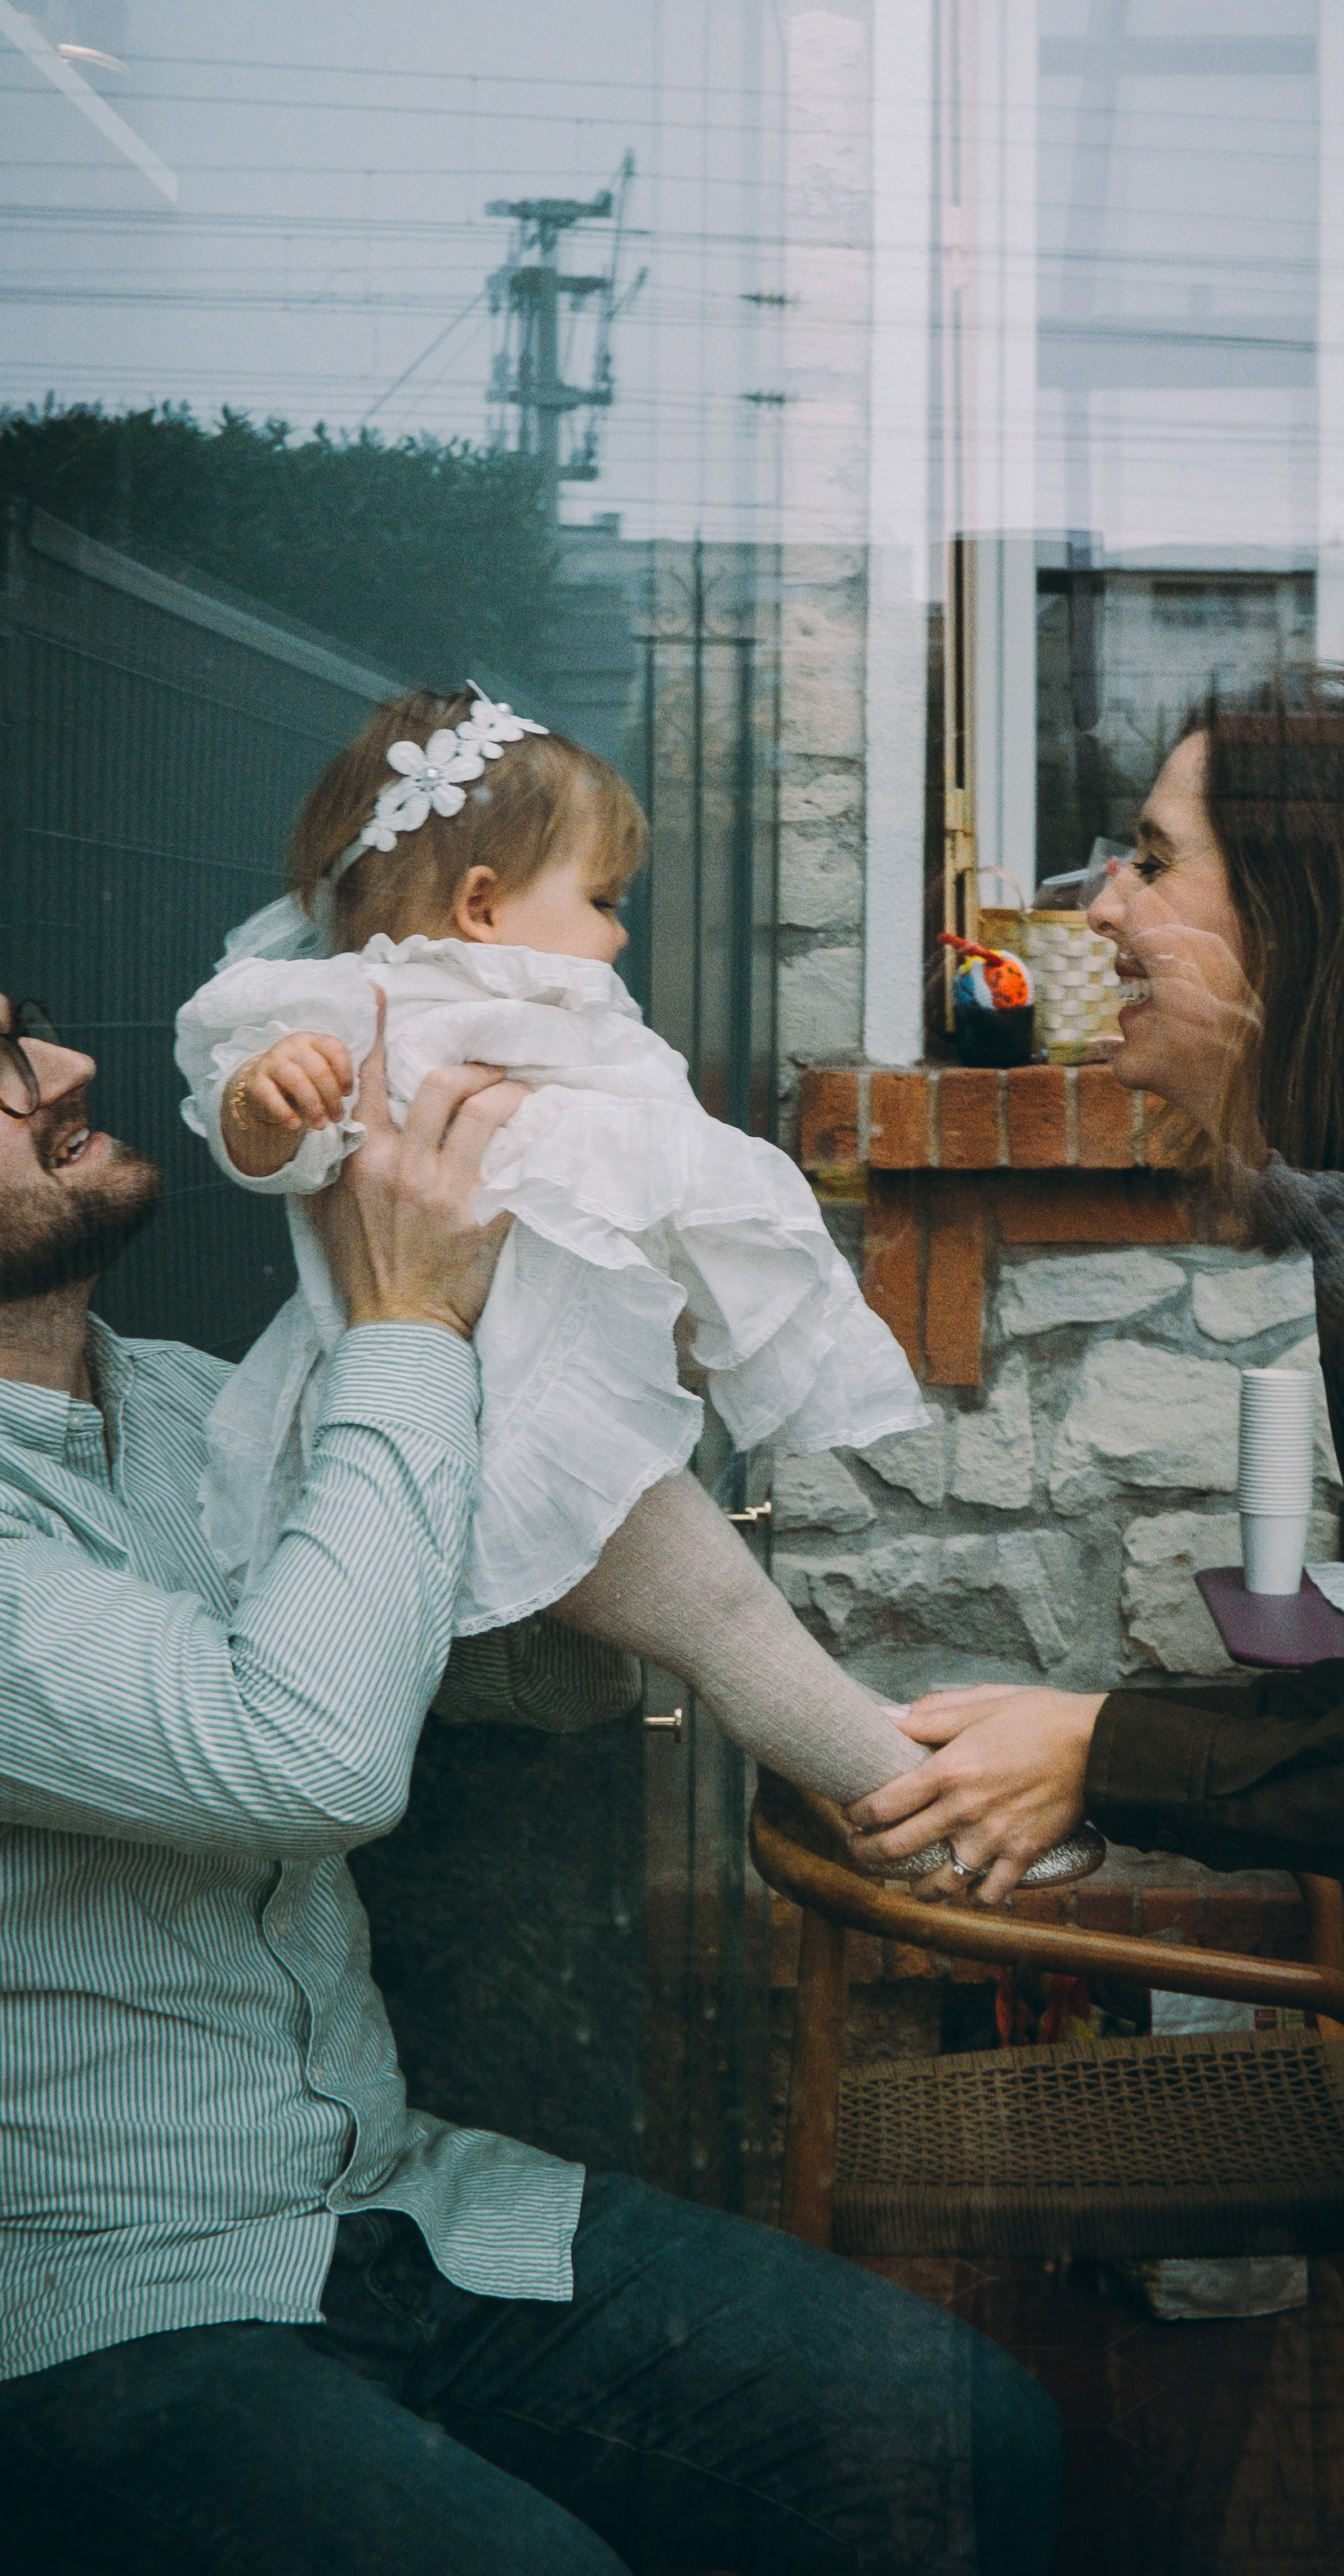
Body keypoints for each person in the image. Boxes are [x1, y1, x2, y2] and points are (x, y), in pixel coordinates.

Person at [0, 892, 1064, 2575]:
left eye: (20, 1022)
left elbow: (487, 1688)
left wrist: (593, 1401)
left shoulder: (187, 1401)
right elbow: (305, 1755)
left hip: (394, 2214)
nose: (63, 1063)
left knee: (963, 2445)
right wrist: (404, 1325)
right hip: (67, 2320)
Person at [175, 683, 1084, 1878]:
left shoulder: (577, 1017)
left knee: (672, 1633)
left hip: (560, 1397)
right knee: (729, 1621)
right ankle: (925, 1820)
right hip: (500, 1416)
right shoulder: (351, 1009)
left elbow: (659, 1167)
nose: (616, 934)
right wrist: (270, 1094)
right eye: (602, 901)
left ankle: (904, 1787)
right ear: (482, 905)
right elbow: (263, 1137)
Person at [846, 665, 1344, 1913]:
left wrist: (1100, 1751)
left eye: (1151, 860)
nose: (1100, 909)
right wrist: (1093, 1736)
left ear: (1304, 919)